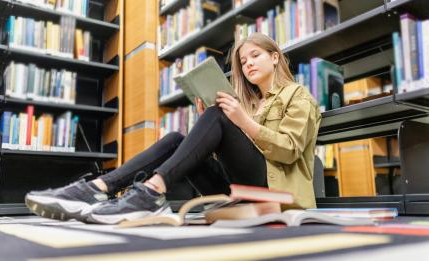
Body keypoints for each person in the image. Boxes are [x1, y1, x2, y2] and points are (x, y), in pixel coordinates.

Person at [25, 33, 321, 224]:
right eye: (243, 62)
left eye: (255, 56)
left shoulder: (299, 96)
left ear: (275, 56)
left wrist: (239, 121)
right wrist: (212, 127)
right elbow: (235, 160)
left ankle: (151, 193)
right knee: (176, 138)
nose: (248, 65)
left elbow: (289, 151)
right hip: (239, 189)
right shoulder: (251, 104)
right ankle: (99, 188)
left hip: (277, 192)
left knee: (220, 114)